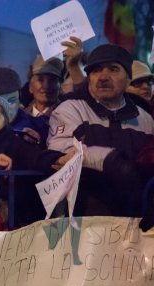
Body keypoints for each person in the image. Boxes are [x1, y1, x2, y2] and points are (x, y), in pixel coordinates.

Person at [47, 44, 154, 229]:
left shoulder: (144, 119)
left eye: (113, 69)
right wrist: (108, 160)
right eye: (96, 70)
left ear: (128, 78)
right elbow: (59, 150)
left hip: (134, 224)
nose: (103, 77)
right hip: (84, 221)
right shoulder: (71, 108)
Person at [0, 91, 71, 226]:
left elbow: (34, 156)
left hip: (13, 226)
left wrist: (59, 159)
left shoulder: (15, 143)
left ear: (5, 120)